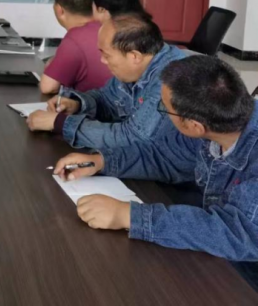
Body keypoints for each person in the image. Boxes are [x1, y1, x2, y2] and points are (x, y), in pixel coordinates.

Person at [51, 55, 258, 264]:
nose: (163, 112)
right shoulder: (219, 122)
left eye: (165, 108)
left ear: (194, 126)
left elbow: (237, 233)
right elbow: (164, 155)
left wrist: (130, 216)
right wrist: (101, 161)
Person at [27, 12, 186, 150]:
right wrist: (77, 104)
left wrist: (61, 124)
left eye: (106, 55)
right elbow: (106, 98)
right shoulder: (135, 68)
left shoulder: (172, 80)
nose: (102, 60)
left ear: (134, 56)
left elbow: (133, 139)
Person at [41, 0, 112, 95]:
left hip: (98, 105)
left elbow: (48, 87)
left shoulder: (74, 39)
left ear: (59, 10)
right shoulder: (109, 27)